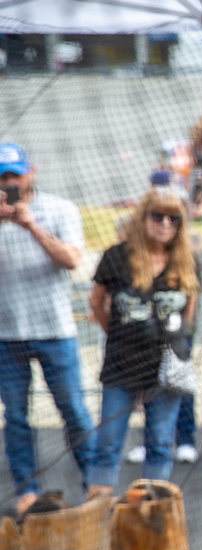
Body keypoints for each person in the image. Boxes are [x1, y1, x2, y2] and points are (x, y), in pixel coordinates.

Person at [0, 142, 97, 515]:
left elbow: (72, 259)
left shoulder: (58, 208)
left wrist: (31, 226)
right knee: (17, 417)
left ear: (31, 172)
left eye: (15, 174)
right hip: (7, 334)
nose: (9, 182)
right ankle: (26, 491)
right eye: (3, 176)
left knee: (73, 410)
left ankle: (94, 485)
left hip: (55, 330)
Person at [86, 188, 200, 497]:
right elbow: (96, 303)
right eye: (157, 216)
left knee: (160, 444)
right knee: (107, 444)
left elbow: (188, 314)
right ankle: (96, 518)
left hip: (165, 372)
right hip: (120, 367)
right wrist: (121, 335)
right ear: (143, 217)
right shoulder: (116, 257)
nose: (165, 223)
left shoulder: (187, 262)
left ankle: (153, 517)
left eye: (173, 218)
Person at [126, 171, 202, 466]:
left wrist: (186, 327)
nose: (164, 222)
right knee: (147, 386)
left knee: (179, 382)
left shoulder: (192, 243)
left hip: (178, 329)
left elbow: (197, 287)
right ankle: (149, 442)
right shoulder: (139, 241)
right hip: (145, 332)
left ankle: (185, 440)